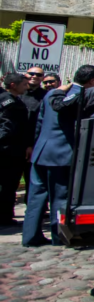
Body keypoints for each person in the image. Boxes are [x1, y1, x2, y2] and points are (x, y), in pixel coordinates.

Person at [23, 65, 94, 246]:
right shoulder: (81, 96)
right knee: (60, 197)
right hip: (63, 152)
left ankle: (30, 236)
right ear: (92, 81)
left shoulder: (52, 93)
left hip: (42, 151)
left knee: (36, 196)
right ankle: (58, 237)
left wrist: (35, 146)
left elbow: (40, 123)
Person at [0, 73, 32, 227]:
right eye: (24, 84)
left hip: (13, 148)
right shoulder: (9, 102)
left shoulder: (14, 100)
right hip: (9, 150)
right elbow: (7, 126)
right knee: (8, 184)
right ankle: (4, 217)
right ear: (13, 84)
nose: (27, 87)